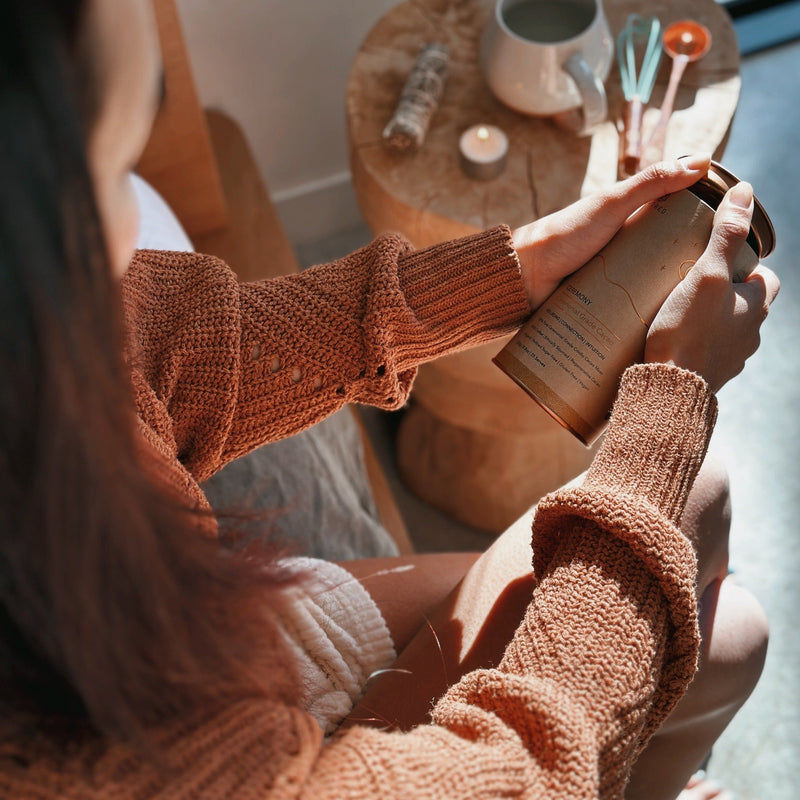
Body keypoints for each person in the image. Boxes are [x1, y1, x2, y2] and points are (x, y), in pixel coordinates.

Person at [0, 1, 779, 799]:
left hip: (187, 635)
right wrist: (669, 412)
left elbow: (166, 351)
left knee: (714, 577)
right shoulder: (84, 745)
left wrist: (507, 272)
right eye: (104, 172)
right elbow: (518, 778)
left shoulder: (37, 315)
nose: (129, 229)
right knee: (728, 627)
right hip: (224, 737)